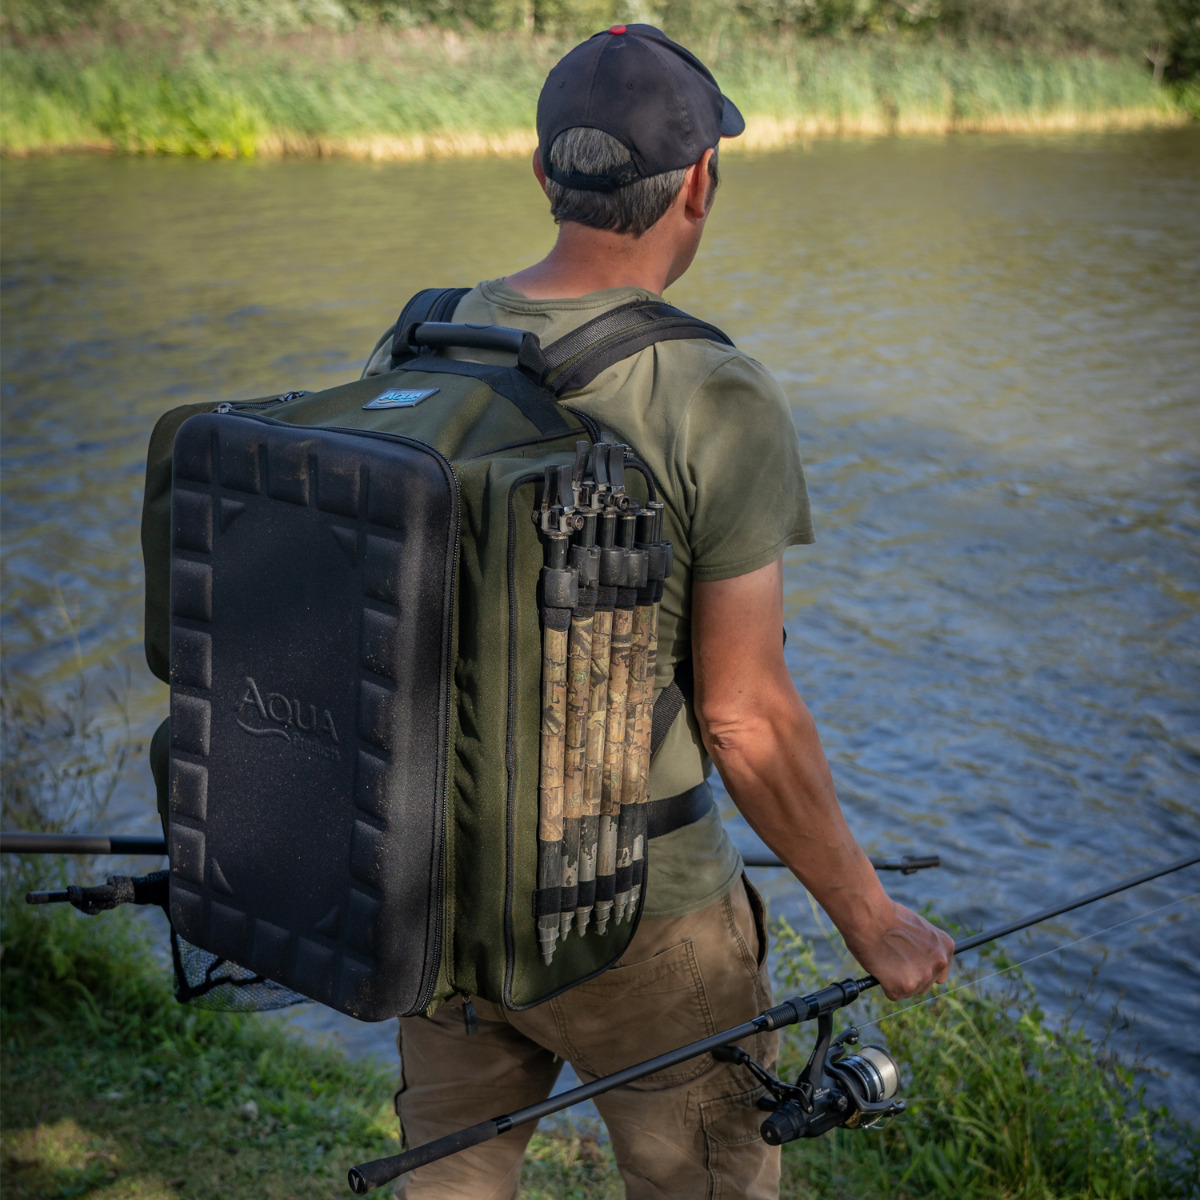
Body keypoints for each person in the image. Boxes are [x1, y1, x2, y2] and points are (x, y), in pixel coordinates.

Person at [362, 25, 954, 1200]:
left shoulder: (422, 337)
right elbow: (744, 715)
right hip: (639, 913)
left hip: (438, 881)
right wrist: (871, 917)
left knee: (449, 1181)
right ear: (699, 182)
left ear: (544, 169)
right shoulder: (712, 392)